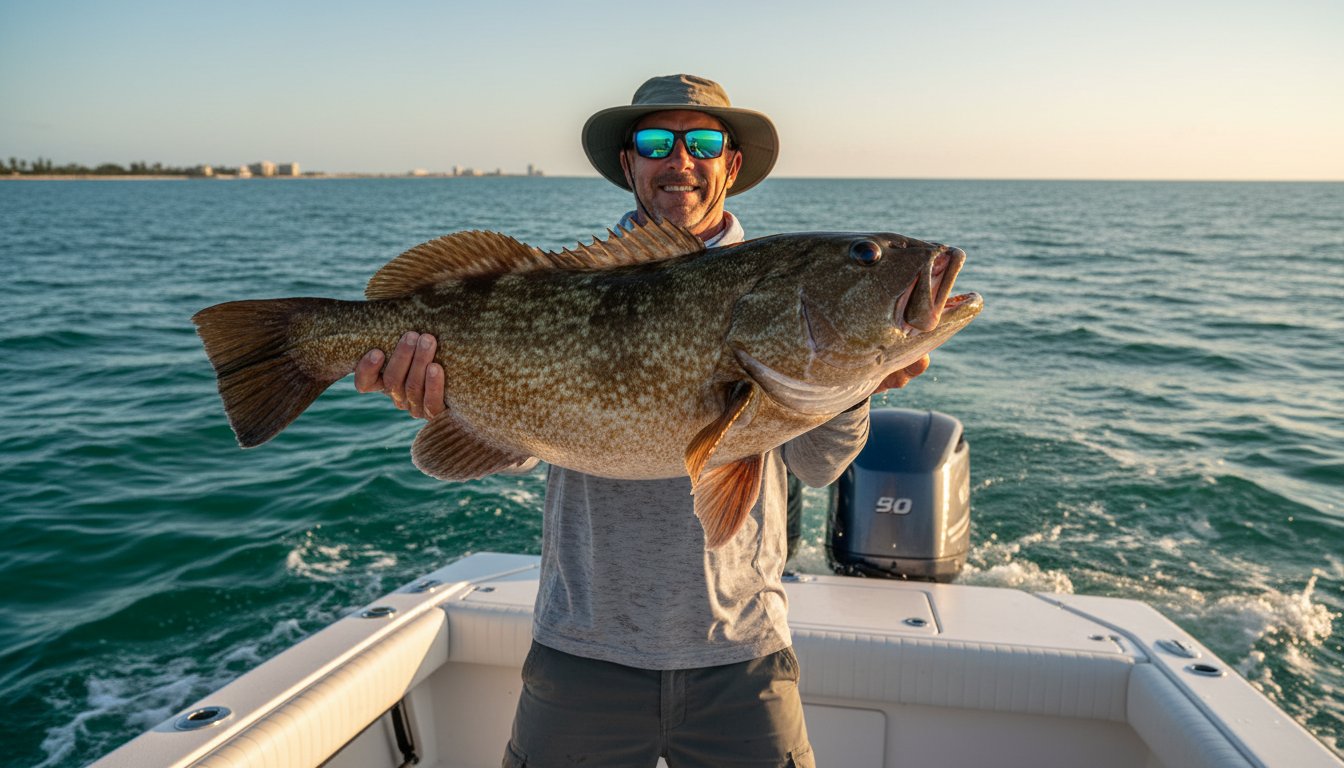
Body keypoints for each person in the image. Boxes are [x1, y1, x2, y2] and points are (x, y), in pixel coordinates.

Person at [354, 74, 929, 768]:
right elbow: (527, 447)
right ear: (629, 163)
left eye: (703, 141)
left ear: (731, 164)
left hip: (742, 653)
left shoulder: (774, 280)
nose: (679, 159)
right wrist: (450, 398)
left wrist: (856, 382)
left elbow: (817, 465)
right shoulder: (567, 287)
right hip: (581, 651)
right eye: (656, 141)